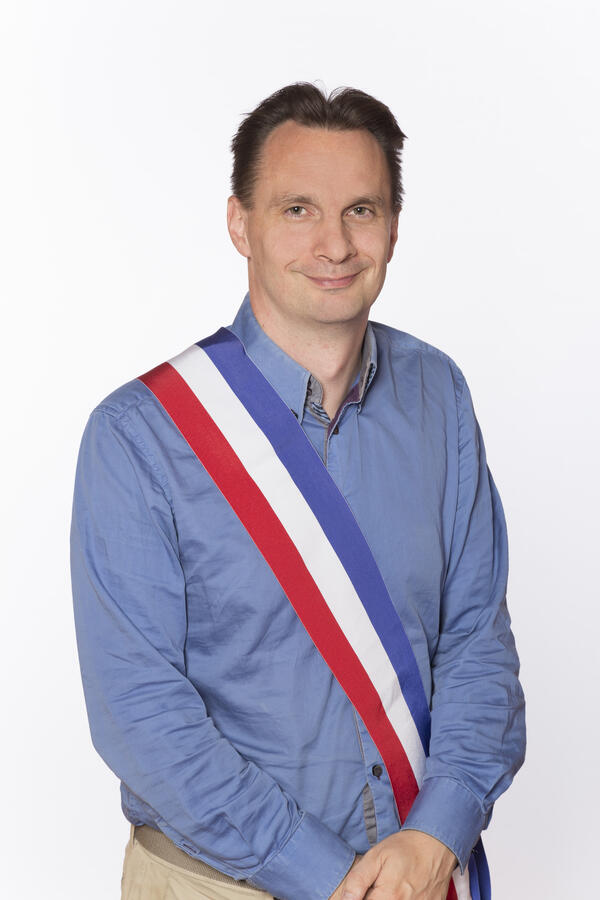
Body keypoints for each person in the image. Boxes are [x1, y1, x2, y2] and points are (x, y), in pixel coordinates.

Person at [70, 82, 526, 900]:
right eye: (297, 210)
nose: (335, 244)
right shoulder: (139, 436)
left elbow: (476, 645)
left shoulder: (438, 396)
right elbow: (141, 715)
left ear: (393, 227)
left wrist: (437, 833)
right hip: (221, 883)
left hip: (418, 876)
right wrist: (331, 876)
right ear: (239, 223)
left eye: (361, 210)